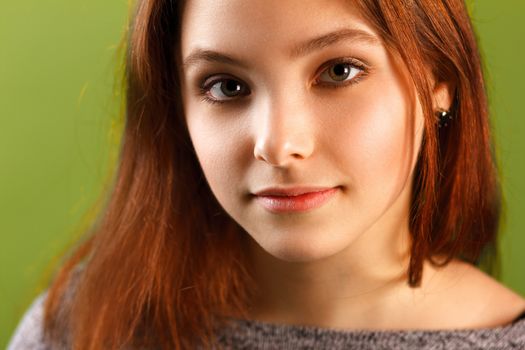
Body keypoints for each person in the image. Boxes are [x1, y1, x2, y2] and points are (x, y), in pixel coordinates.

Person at [8, 0, 525, 349]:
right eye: (226, 87)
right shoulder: (82, 327)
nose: (278, 144)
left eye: (339, 71)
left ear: (441, 83)